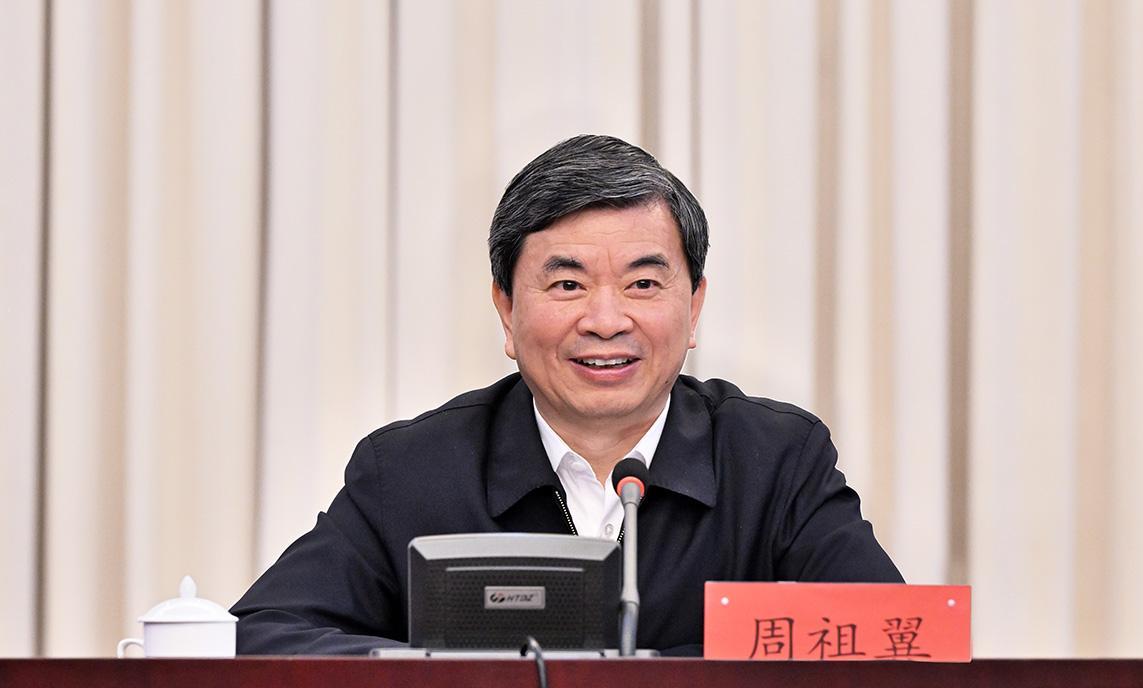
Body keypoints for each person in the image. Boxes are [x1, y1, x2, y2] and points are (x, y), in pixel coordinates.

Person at [232, 134, 903, 655]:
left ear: (694, 308)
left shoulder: (775, 461)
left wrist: (650, 687)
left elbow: (893, 649)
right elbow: (261, 638)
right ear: (506, 310)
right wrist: (447, 677)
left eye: (643, 285)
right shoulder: (412, 471)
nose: (606, 320)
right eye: (567, 285)